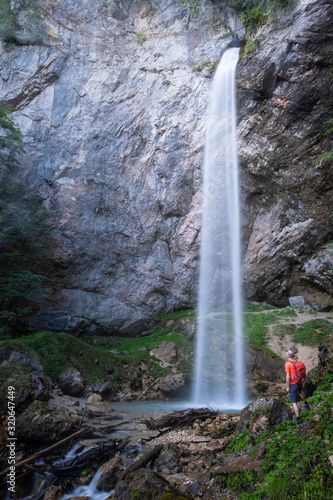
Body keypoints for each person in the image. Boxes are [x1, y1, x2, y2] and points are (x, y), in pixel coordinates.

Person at [285, 350, 310, 425]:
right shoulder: (297, 362)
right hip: (299, 382)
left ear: (288, 356)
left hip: (293, 383)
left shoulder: (288, 363)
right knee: (301, 391)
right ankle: (306, 404)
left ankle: (298, 419)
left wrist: (288, 386)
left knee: (294, 402)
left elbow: (288, 376)